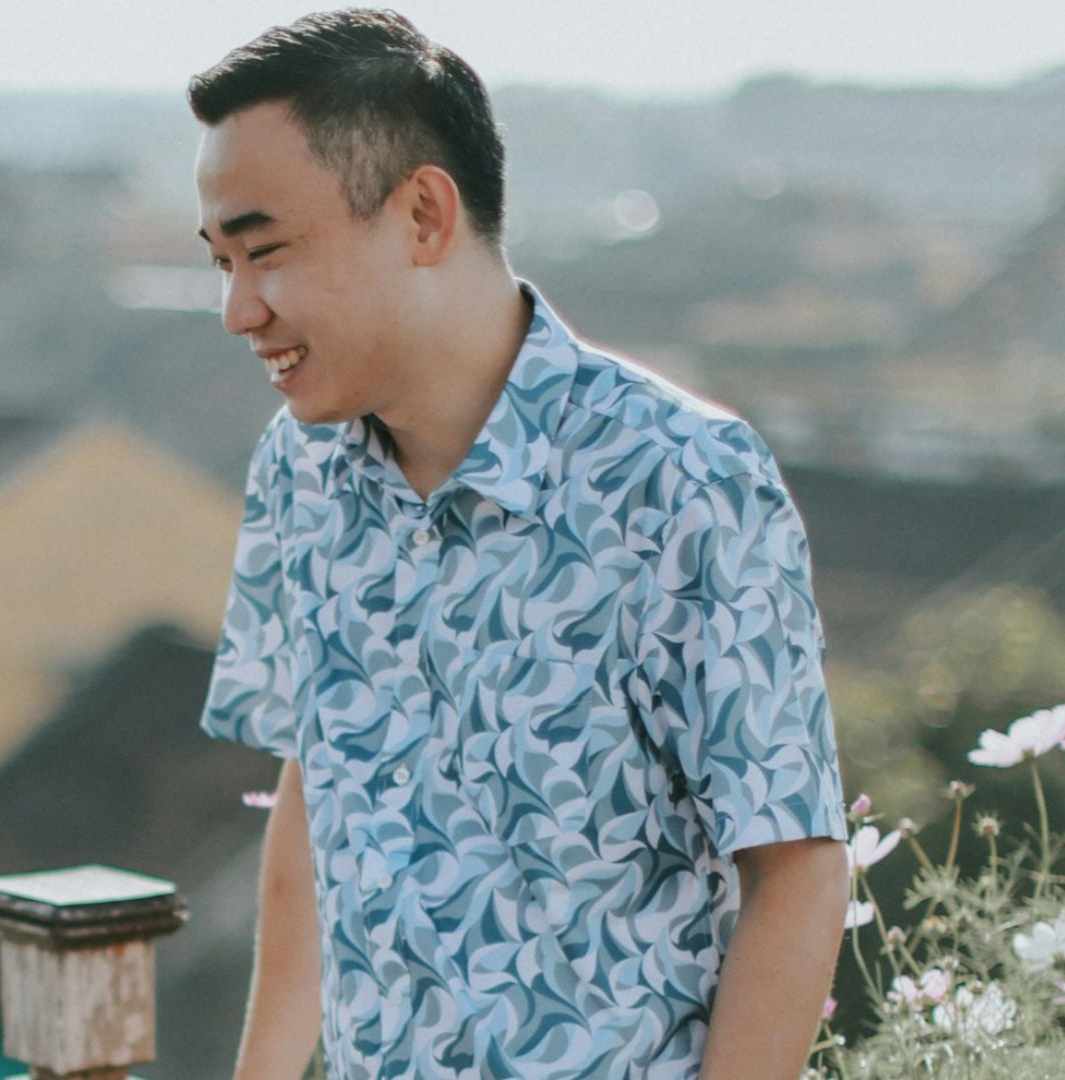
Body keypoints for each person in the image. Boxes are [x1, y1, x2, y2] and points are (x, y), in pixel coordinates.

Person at [192, 11, 849, 1079]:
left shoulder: (682, 478)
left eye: (264, 252)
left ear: (422, 214)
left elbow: (798, 870)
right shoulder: (298, 469)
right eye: (222, 261)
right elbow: (316, 797)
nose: (236, 309)